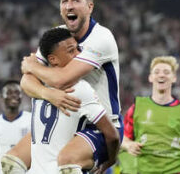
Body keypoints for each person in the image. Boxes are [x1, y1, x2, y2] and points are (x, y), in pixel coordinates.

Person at [1, 0, 123, 172]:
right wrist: (48, 93)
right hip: (65, 119)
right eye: (64, 1)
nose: (69, 6)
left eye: (75, 0)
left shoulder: (102, 38)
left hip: (100, 125)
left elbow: (62, 79)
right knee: (11, 162)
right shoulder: (57, 36)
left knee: (67, 161)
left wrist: (33, 66)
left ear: (90, 7)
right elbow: (26, 81)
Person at [26, 28, 119, 174]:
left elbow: (25, 81)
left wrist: (32, 67)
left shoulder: (36, 85)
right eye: (71, 51)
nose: (78, 54)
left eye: (78, 49)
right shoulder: (79, 89)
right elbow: (112, 136)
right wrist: (109, 161)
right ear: (53, 59)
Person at [120, 56, 180, 174]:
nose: (161, 75)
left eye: (166, 72)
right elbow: (124, 138)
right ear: (150, 77)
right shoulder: (137, 107)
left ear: (174, 78)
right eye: (157, 72)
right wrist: (129, 146)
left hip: (176, 170)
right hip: (144, 169)